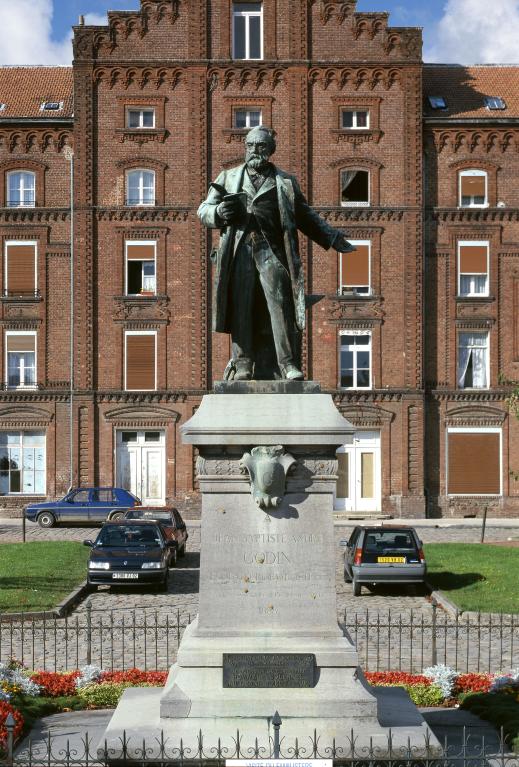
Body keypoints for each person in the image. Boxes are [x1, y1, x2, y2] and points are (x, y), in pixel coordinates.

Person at [198, 126, 355, 381]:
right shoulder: (228, 177)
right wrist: (217, 214)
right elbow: (204, 209)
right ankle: (243, 363)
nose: (254, 151)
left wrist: (332, 237)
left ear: (270, 151)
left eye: (260, 146)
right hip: (239, 251)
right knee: (242, 306)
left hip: (271, 249)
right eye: (250, 146)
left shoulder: (285, 181)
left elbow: (305, 216)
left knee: (281, 305)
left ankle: (287, 364)